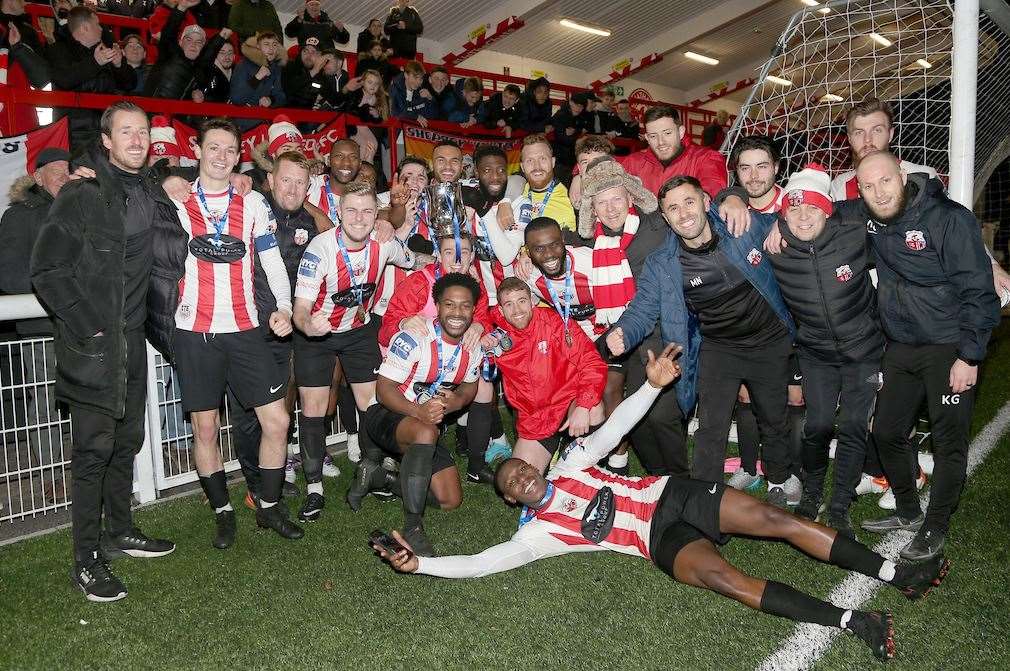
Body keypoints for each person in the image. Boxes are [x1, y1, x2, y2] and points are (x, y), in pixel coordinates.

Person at [373, 344, 951, 663]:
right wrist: (420, 563)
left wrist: (649, 385)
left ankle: (898, 573)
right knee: (727, 581)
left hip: (672, 494)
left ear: (535, 463)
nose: (522, 477)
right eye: (512, 484)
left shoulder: (572, 462)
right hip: (657, 542)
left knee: (777, 520)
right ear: (512, 500)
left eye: (522, 467)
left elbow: (613, 425)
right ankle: (854, 620)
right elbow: (480, 563)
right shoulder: (536, 535)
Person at [30, 102, 176, 602]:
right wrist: (88, 326)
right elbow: (47, 268)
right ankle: (85, 559)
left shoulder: (151, 189)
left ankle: (119, 530)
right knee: (92, 453)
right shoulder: (82, 194)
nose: (137, 140)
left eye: (144, 132)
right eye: (126, 132)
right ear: (107, 141)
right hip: (94, 344)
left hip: (134, 341)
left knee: (126, 442)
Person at [606, 176, 801, 506]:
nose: (683, 213)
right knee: (711, 427)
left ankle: (780, 478)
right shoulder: (663, 263)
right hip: (718, 347)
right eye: (673, 209)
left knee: (773, 417)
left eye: (689, 202)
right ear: (665, 219)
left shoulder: (742, 226)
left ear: (706, 202)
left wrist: (778, 222)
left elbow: (787, 218)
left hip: (769, 342)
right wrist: (623, 332)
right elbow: (642, 309)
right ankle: (703, 502)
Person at [856, 151, 1000, 560]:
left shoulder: (949, 218)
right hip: (901, 344)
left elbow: (979, 291)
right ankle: (907, 509)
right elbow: (821, 215)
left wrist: (969, 356)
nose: (878, 193)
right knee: (885, 430)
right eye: (868, 186)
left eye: (885, 181)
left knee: (948, 440)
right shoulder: (872, 220)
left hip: (948, 346)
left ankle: (935, 526)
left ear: (902, 175)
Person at [167, 118, 303, 547]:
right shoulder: (175, 199)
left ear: (239, 157)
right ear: (198, 151)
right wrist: (166, 179)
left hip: (246, 329)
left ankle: (267, 506)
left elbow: (272, 261)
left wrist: (282, 306)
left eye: (230, 150)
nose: (221, 157)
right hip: (195, 330)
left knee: (277, 420)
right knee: (205, 429)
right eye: (214, 148)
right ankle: (222, 512)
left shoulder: (255, 204)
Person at [765, 164, 885, 537]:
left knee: (852, 426)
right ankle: (812, 493)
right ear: (783, 213)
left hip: (863, 349)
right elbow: (730, 216)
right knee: (816, 426)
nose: (803, 217)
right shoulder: (775, 245)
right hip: (815, 352)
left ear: (827, 210)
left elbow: (895, 197)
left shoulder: (852, 234)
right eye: (794, 209)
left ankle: (839, 504)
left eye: (813, 208)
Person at [291, 181, 416, 519]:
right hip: (318, 334)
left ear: (377, 214)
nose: (359, 218)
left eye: (367, 211)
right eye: (351, 211)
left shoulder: (384, 244)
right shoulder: (320, 249)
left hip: (360, 330)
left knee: (373, 405)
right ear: (338, 213)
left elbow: (413, 262)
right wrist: (307, 325)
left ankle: (373, 470)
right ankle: (314, 487)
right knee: (315, 409)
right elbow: (300, 309)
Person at [227, 151, 334, 515]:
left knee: (281, 404)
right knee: (246, 410)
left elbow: (336, 243)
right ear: (270, 180)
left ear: (309, 187)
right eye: (284, 179)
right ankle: (255, 483)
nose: (291, 188)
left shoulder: (311, 221)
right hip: (247, 324)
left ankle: (274, 473)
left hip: (289, 327)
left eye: (300, 182)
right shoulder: (251, 207)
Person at [360, 273, 483, 554]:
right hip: (385, 414)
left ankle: (382, 479)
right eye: (449, 305)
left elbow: (471, 384)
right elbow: (384, 390)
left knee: (450, 500)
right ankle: (413, 527)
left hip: (421, 424)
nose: (457, 313)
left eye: (465, 306)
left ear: (473, 310)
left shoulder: (472, 346)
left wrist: (458, 401)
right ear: (437, 306)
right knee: (428, 430)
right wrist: (418, 411)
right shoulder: (413, 337)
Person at [575, 157, 684, 477]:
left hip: (664, 332)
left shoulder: (656, 225)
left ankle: (680, 480)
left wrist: (730, 199)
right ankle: (657, 477)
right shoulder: (590, 240)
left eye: (616, 199)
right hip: (623, 337)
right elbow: (551, 241)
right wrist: (527, 255)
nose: (610, 209)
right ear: (592, 209)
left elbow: (692, 212)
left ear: (631, 198)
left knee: (661, 415)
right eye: (601, 202)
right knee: (636, 415)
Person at [725, 135, 804, 493]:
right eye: (745, 168)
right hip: (747, 326)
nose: (754, 176)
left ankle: (791, 472)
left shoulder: (797, 205)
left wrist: (785, 221)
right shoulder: (730, 208)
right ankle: (747, 466)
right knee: (745, 395)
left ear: (776, 168)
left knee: (793, 398)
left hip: (795, 321)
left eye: (762, 166)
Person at [484, 278, 606, 473]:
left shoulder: (555, 323)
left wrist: (583, 404)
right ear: (500, 310)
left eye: (522, 301)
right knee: (517, 485)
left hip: (568, 401)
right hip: (535, 417)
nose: (517, 310)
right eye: (509, 304)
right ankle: (558, 450)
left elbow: (591, 361)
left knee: (593, 409)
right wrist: (479, 337)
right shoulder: (494, 336)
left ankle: (584, 464)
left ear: (532, 301)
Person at [48, 7, 135, 150]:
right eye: (98, 25)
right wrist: (95, 63)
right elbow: (64, 79)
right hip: (74, 134)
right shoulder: (58, 49)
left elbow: (129, 84)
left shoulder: (102, 51)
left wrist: (119, 65)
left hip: (106, 129)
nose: (101, 29)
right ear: (85, 27)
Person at [619, 106, 727, 197]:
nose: (661, 142)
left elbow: (713, 184)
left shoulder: (705, 158)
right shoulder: (634, 162)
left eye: (667, 133)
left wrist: (706, 196)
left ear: (681, 132)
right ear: (647, 138)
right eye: (653, 136)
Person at [513, 134, 577, 233]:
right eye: (530, 160)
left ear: (553, 162)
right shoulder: (515, 193)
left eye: (542, 159)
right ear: (522, 167)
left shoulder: (572, 192)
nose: (537, 166)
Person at [229, 31, 286, 114]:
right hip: (244, 118)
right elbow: (237, 98)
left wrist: (271, 100)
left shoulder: (277, 68)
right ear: (258, 47)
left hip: (267, 117)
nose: (271, 48)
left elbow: (281, 96)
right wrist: (257, 78)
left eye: (274, 44)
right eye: (266, 44)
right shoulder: (244, 64)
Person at [284, 0, 349, 51]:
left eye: (317, 4)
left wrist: (341, 31)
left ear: (320, 7)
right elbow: (289, 33)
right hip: (307, 57)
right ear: (306, 7)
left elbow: (344, 40)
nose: (314, 7)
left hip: (326, 57)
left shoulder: (329, 23)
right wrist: (298, 20)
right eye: (311, 4)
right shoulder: (300, 20)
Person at [390, 60, 436, 127]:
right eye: (415, 77)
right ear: (406, 75)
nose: (418, 82)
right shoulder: (395, 89)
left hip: (415, 132)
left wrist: (431, 99)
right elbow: (396, 113)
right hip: (397, 131)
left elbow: (433, 116)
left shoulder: (422, 91)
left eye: (421, 78)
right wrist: (416, 116)